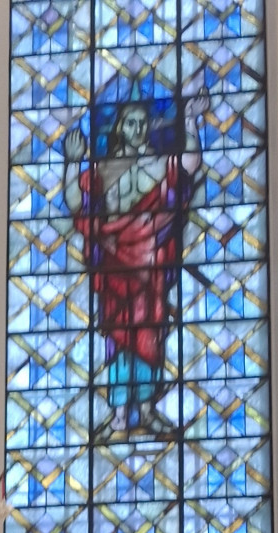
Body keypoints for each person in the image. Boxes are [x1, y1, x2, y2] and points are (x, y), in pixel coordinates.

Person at [64, 85, 210, 439]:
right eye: (130, 123)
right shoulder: (103, 169)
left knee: (148, 332)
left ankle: (145, 408)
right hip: (115, 261)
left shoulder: (158, 164)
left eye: (143, 123)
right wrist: (71, 161)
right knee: (117, 336)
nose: (137, 129)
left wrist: (190, 120)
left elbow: (189, 165)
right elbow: (75, 202)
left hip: (148, 261)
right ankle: (119, 413)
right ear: (119, 128)